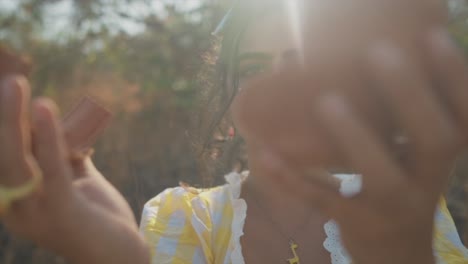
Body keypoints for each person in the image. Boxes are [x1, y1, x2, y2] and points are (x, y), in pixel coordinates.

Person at [0, 1, 467, 264]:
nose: (277, 90)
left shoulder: (402, 203)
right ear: (228, 99)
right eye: (252, 69)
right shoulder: (180, 214)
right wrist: (115, 257)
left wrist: (400, 253)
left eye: (299, 65)